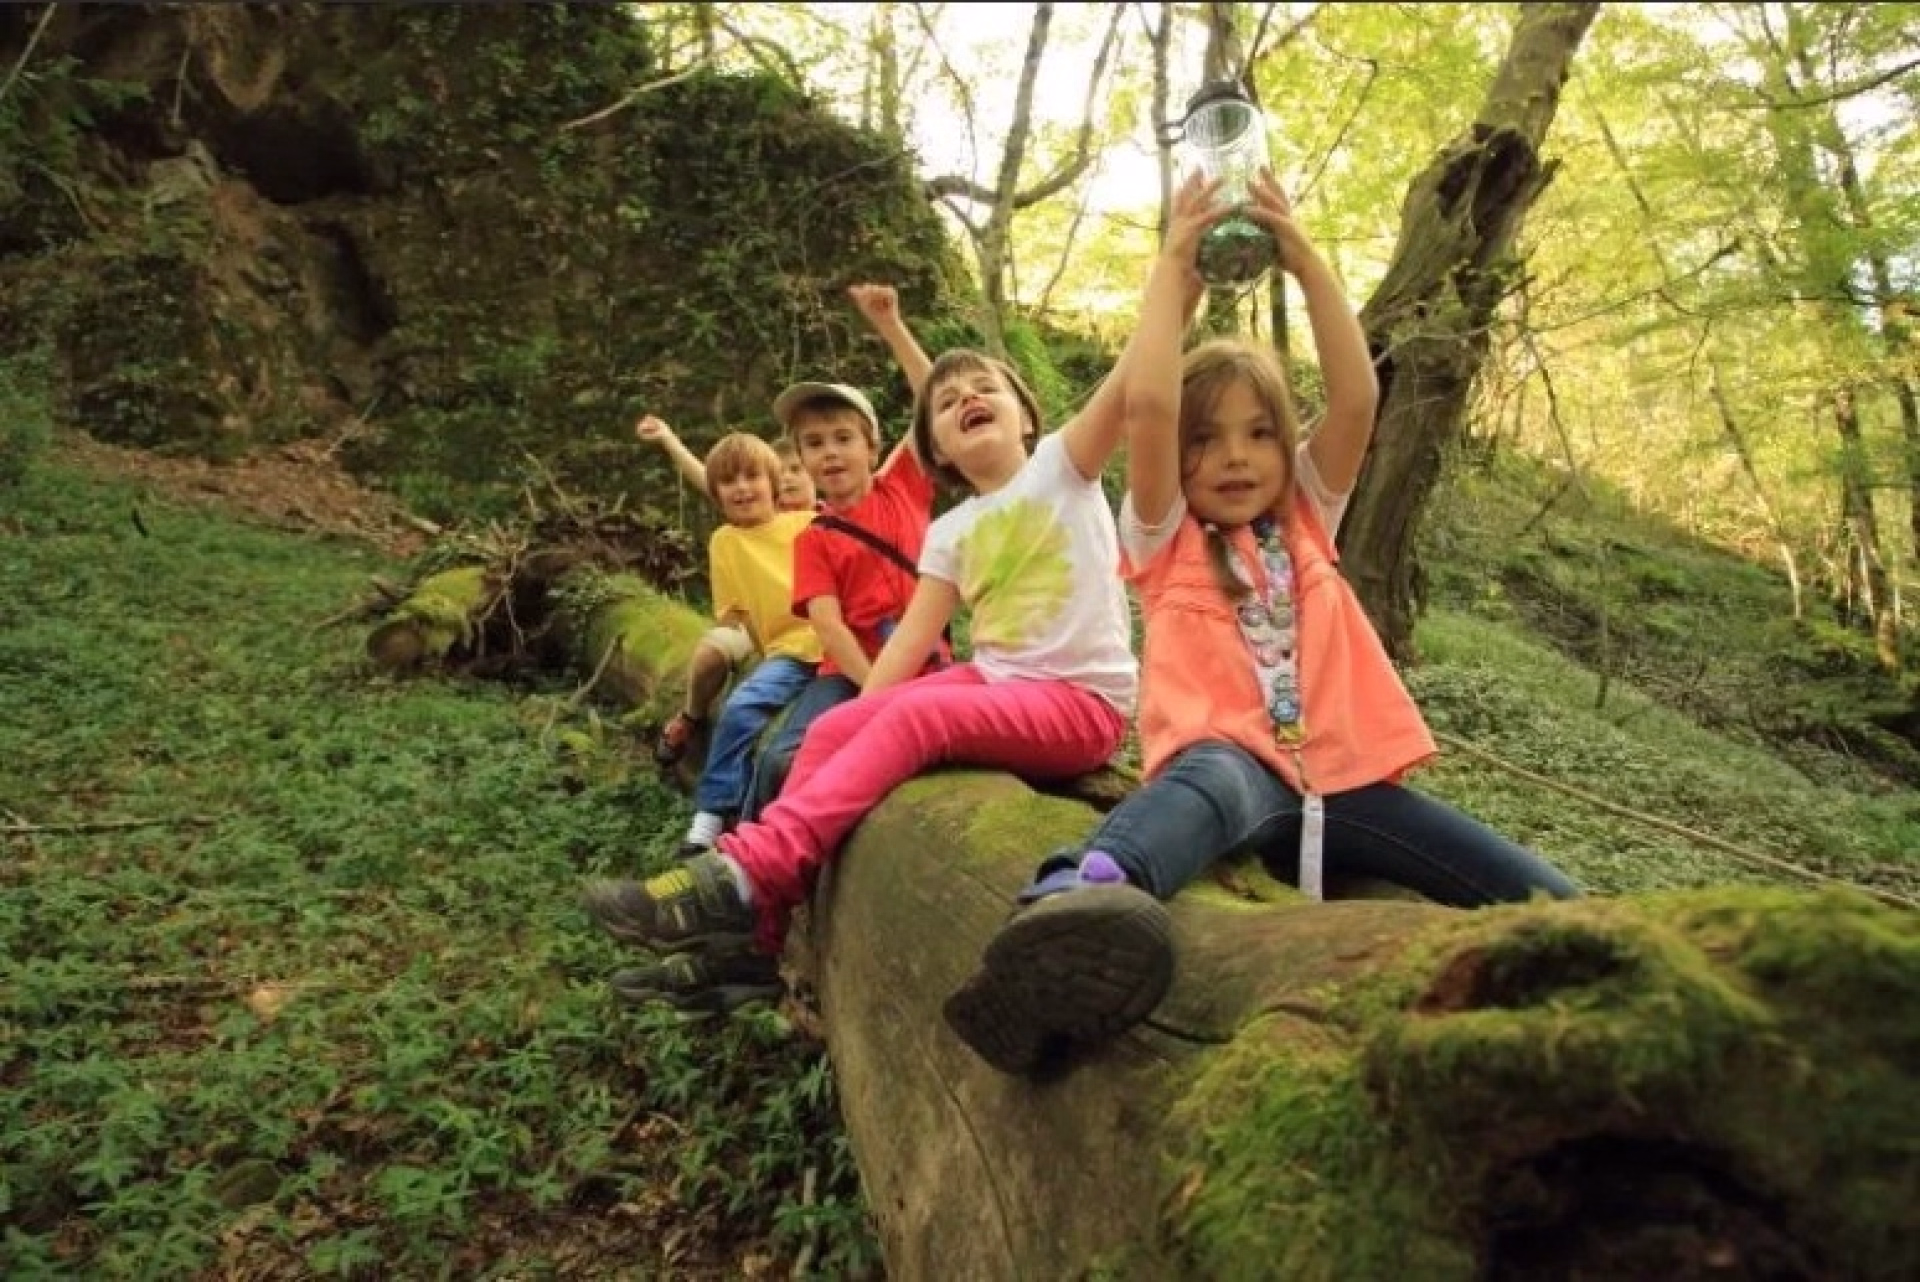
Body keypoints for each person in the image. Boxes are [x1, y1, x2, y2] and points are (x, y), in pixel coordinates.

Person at [943, 169, 1582, 1077]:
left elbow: (1357, 399)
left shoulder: (1307, 518)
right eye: (1205, 440)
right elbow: (1149, 405)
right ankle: (1065, 911)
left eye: (1258, 433)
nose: (1234, 457)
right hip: (1235, 770)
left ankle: (1606, 947)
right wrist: (1174, 268)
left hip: (1346, 782)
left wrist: (1304, 258)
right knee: (1206, 783)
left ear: (1287, 446)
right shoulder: (1163, 536)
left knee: (1541, 896)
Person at [578, 183, 1231, 1017]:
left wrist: (1179, 270)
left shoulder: (1063, 466)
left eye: (984, 388)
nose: (965, 398)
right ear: (937, 451)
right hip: (996, 683)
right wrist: (860, 716)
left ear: (1028, 417)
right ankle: (760, 945)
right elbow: (901, 657)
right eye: (947, 403)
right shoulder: (950, 531)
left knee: (919, 719)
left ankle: (747, 871)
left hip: (1080, 704)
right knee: (833, 729)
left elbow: (1141, 375)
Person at [739, 283, 949, 824]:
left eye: (842, 438)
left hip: (928, 664)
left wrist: (891, 327)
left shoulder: (902, 487)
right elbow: (829, 627)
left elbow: (933, 400)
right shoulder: (813, 538)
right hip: (851, 672)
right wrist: (874, 691)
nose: (829, 453)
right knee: (783, 759)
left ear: (871, 448)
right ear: (800, 460)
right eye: (814, 444)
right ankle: (751, 854)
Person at [645, 427, 823, 856]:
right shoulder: (725, 542)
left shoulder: (808, 522)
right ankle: (710, 815)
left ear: (774, 483)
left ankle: (757, 837)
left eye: (752, 477)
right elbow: (738, 614)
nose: (742, 488)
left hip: (837, 646)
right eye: (729, 481)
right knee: (741, 707)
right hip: (788, 652)